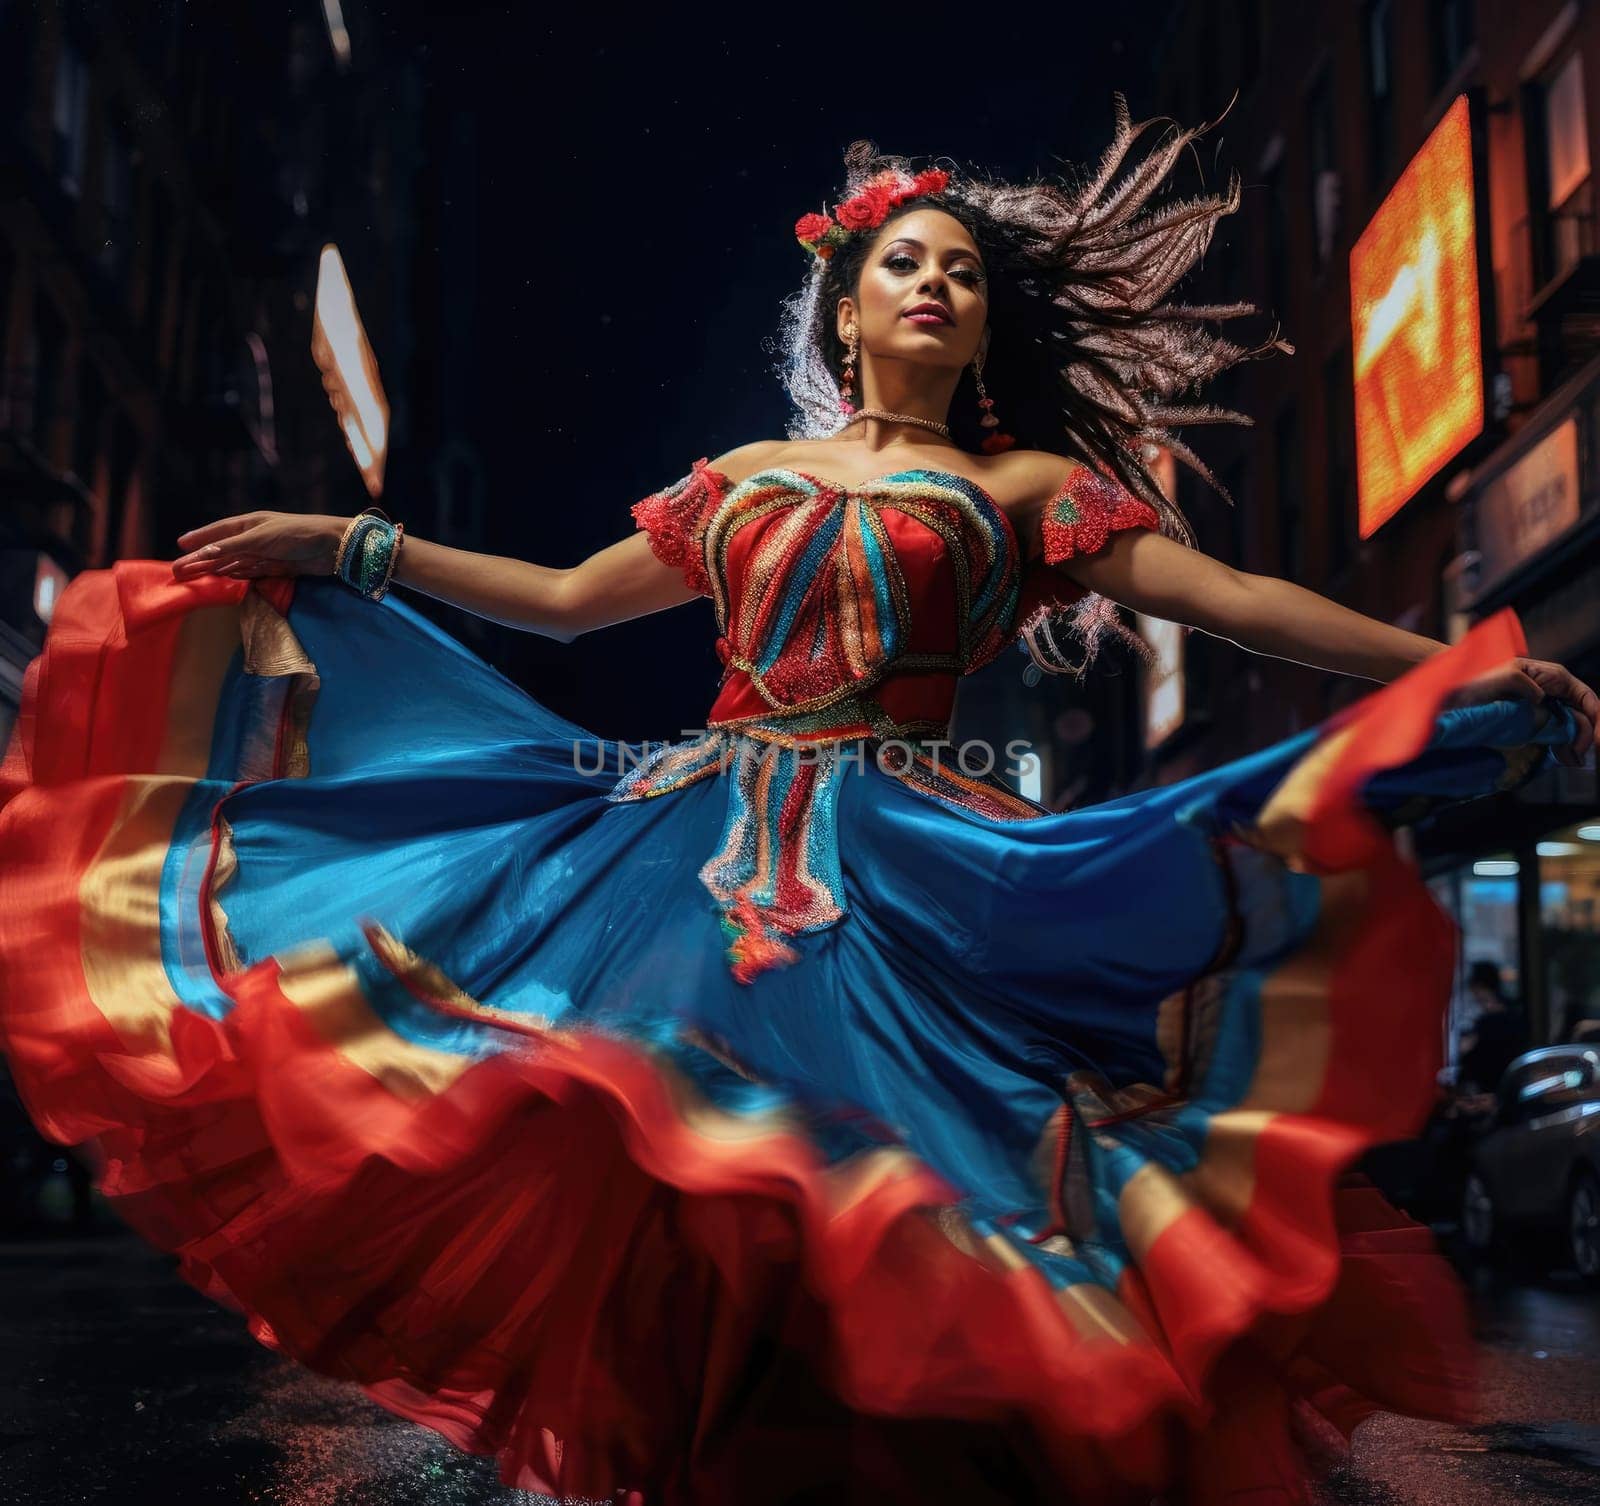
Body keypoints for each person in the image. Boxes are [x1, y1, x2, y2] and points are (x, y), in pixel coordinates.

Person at [1, 100, 1596, 1506]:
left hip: (910, 854)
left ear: (982, 329)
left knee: (897, 1174)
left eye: (963, 272)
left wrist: (1450, 660)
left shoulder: (1027, 492)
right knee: (689, 1171)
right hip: (687, 842)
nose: (938, 283)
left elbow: (1239, 600)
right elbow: (561, 600)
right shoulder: (748, 472)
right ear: (847, 309)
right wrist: (351, 545)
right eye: (907, 260)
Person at [1456, 959, 1528, 1094]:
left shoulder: (1486, 1021)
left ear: (1478, 987)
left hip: (1489, 1087)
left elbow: (1468, 1054)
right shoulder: (1513, 1012)